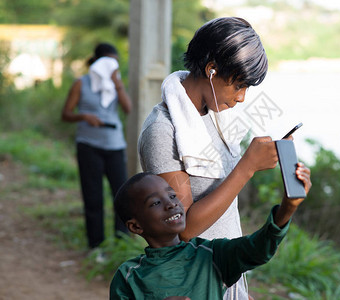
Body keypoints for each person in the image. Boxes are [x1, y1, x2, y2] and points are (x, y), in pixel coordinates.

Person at [138, 17, 283, 299]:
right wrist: (247, 167)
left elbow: (224, 212)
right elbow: (185, 229)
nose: (242, 98)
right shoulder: (162, 131)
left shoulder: (216, 119)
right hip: (194, 282)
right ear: (212, 70)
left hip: (223, 272)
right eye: (239, 85)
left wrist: (237, 287)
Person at [110, 164, 311, 299]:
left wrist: (288, 207)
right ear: (136, 226)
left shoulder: (210, 254)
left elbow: (257, 248)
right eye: (155, 202)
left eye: (172, 195)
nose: (171, 204)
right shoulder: (129, 276)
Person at [61, 42, 132, 251]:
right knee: (93, 196)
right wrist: (83, 116)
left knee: (122, 195)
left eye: (116, 64)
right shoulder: (80, 84)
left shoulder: (115, 84)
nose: (113, 67)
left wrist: (117, 83)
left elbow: (128, 108)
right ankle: (96, 246)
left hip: (115, 145)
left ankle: (121, 244)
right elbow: (65, 114)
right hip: (89, 145)